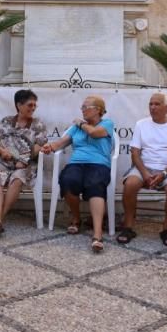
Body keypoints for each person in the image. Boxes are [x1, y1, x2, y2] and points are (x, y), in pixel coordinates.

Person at [41, 95, 114, 253]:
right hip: (77, 163)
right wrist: (50, 147)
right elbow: (62, 142)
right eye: (82, 108)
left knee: (95, 185)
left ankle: (97, 234)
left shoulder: (107, 124)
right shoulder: (75, 128)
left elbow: (94, 133)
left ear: (98, 110)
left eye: (85, 107)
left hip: (99, 164)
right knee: (68, 181)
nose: (82, 110)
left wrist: (80, 123)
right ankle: (76, 218)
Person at [118, 92, 167, 246]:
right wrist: (145, 173)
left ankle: (166, 229)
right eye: (151, 104)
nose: (153, 107)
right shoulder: (141, 124)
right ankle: (128, 226)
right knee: (130, 184)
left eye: (157, 104)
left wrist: (163, 174)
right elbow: (135, 153)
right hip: (144, 167)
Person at [0, 89, 47, 237]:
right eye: (29, 105)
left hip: (26, 163)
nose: (33, 108)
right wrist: (0, 151)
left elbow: (39, 146)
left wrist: (24, 160)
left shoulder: (38, 124)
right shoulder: (5, 121)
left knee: (17, 179)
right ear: (19, 105)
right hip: (2, 160)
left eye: (34, 105)